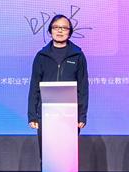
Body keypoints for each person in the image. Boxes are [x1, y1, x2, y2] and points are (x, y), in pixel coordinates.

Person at [28, 14, 89, 156]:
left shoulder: (78, 56)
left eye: (64, 28)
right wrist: (32, 115)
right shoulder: (41, 56)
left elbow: (83, 88)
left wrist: (81, 116)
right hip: (46, 113)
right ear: (50, 31)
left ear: (70, 32)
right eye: (56, 27)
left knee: (67, 156)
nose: (60, 31)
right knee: (47, 156)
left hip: (70, 114)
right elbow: (34, 87)